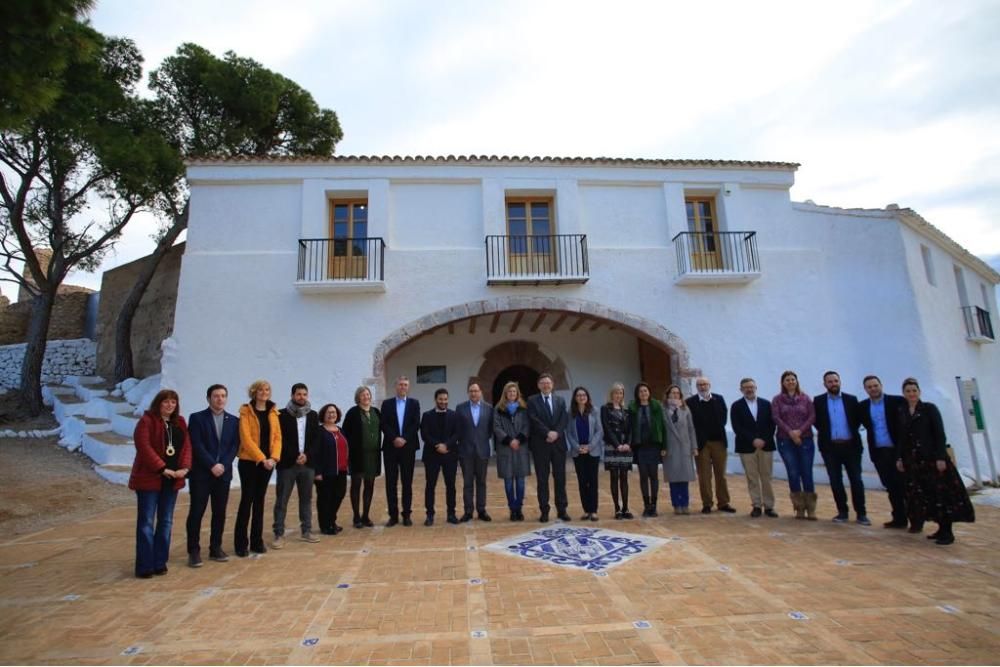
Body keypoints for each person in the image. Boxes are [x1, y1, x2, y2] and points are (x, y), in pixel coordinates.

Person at [896, 378, 975, 545]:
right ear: (903, 393)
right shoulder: (902, 411)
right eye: (908, 391)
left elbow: (939, 434)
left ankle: (947, 531)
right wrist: (900, 457)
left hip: (932, 459)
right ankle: (940, 528)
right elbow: (901, 438)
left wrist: (940, 457)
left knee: (942, 495)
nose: (911, 394)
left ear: (919, 392)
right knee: (927, 496)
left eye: (914, 390)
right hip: (915, 462)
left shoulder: (929, 409)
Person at [129, 389, 191, 578]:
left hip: (172, 481)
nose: (170, 405)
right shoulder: (146, 422)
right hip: (151, 479)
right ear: (158, 403)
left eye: (173, 402)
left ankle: (159, 561)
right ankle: (145, 565)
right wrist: (162, 468)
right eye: (166, 402)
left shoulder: (179, 422)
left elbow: (187, 447)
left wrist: (185, 468)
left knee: (166, 522)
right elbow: (144, 447)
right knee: (146, 523)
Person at [185, 384, 239, 567]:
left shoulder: (233, 420)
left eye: (223, 396)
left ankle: (216, 547)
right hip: (202, 474)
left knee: (219, 512)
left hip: (223, 474)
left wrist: (223, 464)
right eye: (216, 396)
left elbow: (233, 446)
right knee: (197, 512)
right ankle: (193, 550)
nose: (220, 399)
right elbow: (196, 444)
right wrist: (211, 464)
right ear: (208, 398)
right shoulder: (197, 418)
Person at [814, 371, 869, 525]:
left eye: (835, 381)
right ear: (825, 384)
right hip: (830, 448)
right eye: (830, 382)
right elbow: (817, 422)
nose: (833, 384)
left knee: (856, 480)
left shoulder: (851, 400)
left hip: (851, 447)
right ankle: (842, 511)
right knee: (835, 480)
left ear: (840, 382)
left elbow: (856, 420)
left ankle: (861, 513)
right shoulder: (818, 401)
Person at [234, 380, 281, 557]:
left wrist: (274, 458)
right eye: (260, 389)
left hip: (268, 463)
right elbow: (246, 439)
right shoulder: (246, 411)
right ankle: (241, 543)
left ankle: (256, 540)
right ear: (254, 392)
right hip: (249, 462)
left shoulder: (274, 412)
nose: (264, 392)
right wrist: (262, 459)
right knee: (247, 500)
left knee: (260, 501)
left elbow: (277, 437)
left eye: (267, 389)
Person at [273, 383, 321, 548]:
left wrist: (306, 455)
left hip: (307, 464)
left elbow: (316, 439)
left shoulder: (313, 415)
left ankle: (306, 531)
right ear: (292, 395)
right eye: (298, 394)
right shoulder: (281, 415)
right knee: (282, 500)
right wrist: (295, 455)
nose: (302, 397)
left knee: (306, 499)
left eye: (304, 394)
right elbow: (280, 439)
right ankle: (278, 533)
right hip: (287, 464)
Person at [858, 375, 908, 529]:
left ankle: (915, 518)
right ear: (865, 389)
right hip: (879, 452)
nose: (873, 389)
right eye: (869, 387)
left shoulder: (897, 402)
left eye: (875, 385)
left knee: (905, 486)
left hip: (897, 451)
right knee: (890, 486)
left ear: (881, 385)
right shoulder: (863, 407)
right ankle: (899, 518)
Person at [771, 371, 818, 520]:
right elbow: (776, 417)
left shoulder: (805, 399)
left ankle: (810, 508)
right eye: (787, 380)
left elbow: (812, 416)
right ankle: (799, 507)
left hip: (805, 440)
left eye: (793, 379)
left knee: (807, 472)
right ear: (783, 383)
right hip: (785, 440)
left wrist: (800, 432)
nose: (790, 382)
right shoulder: (777, 400)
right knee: (793, 472)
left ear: (797, 381)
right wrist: (791, 433)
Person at [730, 378, 778, 518]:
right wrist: (753, 440)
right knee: (752, 478)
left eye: (751, 387)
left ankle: (769, 506)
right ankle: (756, 505)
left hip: (766, 445)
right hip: (747, 447)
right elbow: (737, 426)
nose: (749, 389)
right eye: (746, 387)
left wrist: (764, 439)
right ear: (741, 390)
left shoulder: (766, 404)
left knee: (766, 477)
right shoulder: (736, 406)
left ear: (756, 387)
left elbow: (772, 424)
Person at [686, 377, 735, 514]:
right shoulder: (691, 402)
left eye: (705, 384)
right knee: (704, 475)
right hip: (702, 444)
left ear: (709, 385)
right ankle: (707, 503)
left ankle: (724, 502)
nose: (703, 387)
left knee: (721, 474)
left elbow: (723, 418)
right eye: (700, 385)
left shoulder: (719, 399)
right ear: (697, 387)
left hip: (718, 441)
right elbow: (691, 423)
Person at [527, 373, 571, 522]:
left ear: (552, 385)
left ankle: (562, 509)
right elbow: (533, 419)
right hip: (541, 444)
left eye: (548, 383)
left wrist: (556, 433)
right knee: (542, 479)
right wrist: (547, 432)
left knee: (560, 478)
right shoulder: (532, 400)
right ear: (539, 385)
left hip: (558, 445)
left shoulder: (560, 400)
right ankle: (544, 510)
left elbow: (564, 419)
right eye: (543, 383)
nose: (546, 385)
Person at [380, 376, 421, 526]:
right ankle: (393, 515)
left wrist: (403, 438)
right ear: (395, 387)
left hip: (408, 447)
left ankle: (406, 514)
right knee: (391, 482)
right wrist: (394, 438)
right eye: (400, 384)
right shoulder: (387, 404)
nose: (402, 387)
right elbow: (383, 423)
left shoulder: (414, 403)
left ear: (408, 387)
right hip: (391, 447)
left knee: (407, 482)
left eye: (405, 385)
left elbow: (416, 423)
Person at [342, 386, 381, 528]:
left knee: (369, 485)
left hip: (373, 455)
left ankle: (366, 515)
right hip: (357, 455)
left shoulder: (376, 412)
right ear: (358, 397)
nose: (366, 397)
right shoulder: (353, 413)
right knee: (356, 485)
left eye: (367, 394)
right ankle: (356, 517)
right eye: (363, 395)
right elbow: (345, 433)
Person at [420, 388, 460, 525]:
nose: (443, 401)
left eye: (445, 399)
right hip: (432, 455)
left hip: (450, 455)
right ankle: (430, 515)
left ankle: (451, 514)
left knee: (451, 486)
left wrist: (446, 445)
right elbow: (424, 434)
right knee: (430, 485)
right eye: (440, 399)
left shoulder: (454, 415)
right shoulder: (427, 415)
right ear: (435, 400)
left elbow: (457, 434)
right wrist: (438, 445)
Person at [456, 381, 495, 522]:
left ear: (480, 392)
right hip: (465, 451)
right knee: (467, 483)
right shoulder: (460, 408)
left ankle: (481, 510)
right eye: (471, 391)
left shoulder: (489, 408)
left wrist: (480, 440)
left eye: (476, 391)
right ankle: (468, 511)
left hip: (482, 450)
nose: (474, 393)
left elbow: (490, 429)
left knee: (481, 482)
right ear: (468, 393)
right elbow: (458, 429)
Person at [493, 381, 532, 521]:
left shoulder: (523, 408)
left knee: (520, 481)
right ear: (505, 393)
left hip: (520, 449)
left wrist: (518, 440)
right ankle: (512, 508)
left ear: (517, 394)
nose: (512, 394)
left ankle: (519, 508)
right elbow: (496, 427)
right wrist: (509, 440)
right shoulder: (498, 409)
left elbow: (527, 426)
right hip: (506, 449)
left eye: (514, 392)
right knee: (508, 481)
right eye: (509, 392)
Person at [566, 386, 604, 521]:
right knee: (582, 481)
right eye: (578, 395)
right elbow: (569, 433)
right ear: (575, 398)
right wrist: (577, 447)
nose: (581, 397)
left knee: (593, 481)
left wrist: (590, 446)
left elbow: (599, 431)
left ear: (587, 397)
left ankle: (593, 510)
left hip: (592, 451)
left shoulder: (595, 411)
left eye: (584, 395)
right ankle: (586, 510)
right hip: (578, 452)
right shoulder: (571, 413)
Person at [628, 382, 666, 517]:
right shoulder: (633, 408)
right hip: (640, 447)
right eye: (640, 392)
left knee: (654, 476)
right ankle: (646, 505)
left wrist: (664, 446)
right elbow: (630, 428)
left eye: (645, 391)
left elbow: (663, 426)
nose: (643, 394)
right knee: (643, 476)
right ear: (637, 394)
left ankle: (654, 506)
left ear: (649, 392)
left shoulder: (656, 406)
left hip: (654, 446)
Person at [314, 403, 349, 535]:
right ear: (323, 414)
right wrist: (317, 472)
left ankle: (331, 521)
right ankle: (325, 525)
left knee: (339, 495)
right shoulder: (319, 431)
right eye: (328, 412)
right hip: (325, 472)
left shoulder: (340, 430)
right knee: (325, 499)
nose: (331, 415)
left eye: (334, 412)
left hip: (341, 470)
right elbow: (315, 453)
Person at [662, 385, 698, 515]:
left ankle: (685, 504)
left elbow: (691, 429)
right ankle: (676, 504)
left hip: (684, 447)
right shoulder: (663, 410)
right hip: (670, 447)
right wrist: (662, 447)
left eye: (677, 393)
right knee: (673, 478)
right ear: (668, 395)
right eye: (673, 393)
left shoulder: (685, 409)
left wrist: (694, 446)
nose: (675, 395)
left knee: (684, 478)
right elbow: (661, 430)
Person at [601, 382, 634, 519]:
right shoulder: (605, 409)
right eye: (616, 393)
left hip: (625, 448)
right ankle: (617, 509)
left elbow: (631, 429)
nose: (618, 395)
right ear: (611, 394)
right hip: (612, 447)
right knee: (614, 476)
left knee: (624, 477)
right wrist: (617, 445)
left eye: (620, 393)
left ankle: (626, 508)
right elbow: (606, 428)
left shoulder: (626, 410)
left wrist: (628, 443)